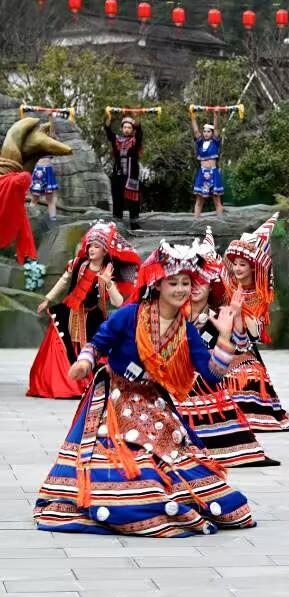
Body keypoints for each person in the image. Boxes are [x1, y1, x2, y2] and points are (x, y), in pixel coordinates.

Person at [33, 240, 255, 537]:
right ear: (158, 284)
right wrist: (84, 363)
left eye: (185, 283)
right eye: (173, 283)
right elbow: (98, 343)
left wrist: (225, 336)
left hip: (153, 402)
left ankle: (162, 496)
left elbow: (213, 374)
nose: (180, 289)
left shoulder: (185, 330)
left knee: (206, 486)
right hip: (115, 397)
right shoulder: (130, 315)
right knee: (127, 460)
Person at [175, 228, 280, 467]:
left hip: (213, 374)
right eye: (190, 283)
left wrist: (237, 317)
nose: (195, 288)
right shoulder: (174, 315)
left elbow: (243, 343)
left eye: (202, 282)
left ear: (212, 287)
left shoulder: (219, 314)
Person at [28, 221, 140, 399]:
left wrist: (109, 283)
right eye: (90, 246)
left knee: (94, 348)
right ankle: (60, 384)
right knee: (59, 344)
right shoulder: (77, 263)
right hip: (69, 312)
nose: (92, 249)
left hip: (92, 317)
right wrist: (48, 299)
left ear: (105, 251)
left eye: (96, 246)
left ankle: (86, 383)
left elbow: (118, 302)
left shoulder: (108, 271)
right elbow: (64, 281)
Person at [221, 214, 289, 432]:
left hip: (243, 349)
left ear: (253, 267)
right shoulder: (224, 286)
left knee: (249, 375)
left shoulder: (260, 297)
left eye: (243, 264)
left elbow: (253, 336)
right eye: (235, 264)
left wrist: (239, 313)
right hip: (217, 343)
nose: (237, 268)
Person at [104, 113, 143, 230]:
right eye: (125, 127)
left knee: (133, 200)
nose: (127, 129)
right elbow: (108, 131)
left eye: (129, 127)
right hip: (118, 173)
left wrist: (137, 119)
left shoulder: (135, 141)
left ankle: (134, 224)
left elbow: (140, 132)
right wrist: (109, 118)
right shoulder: (116, 140)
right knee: (117, 197)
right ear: (121, 128)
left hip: (131, 175)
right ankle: (117, 222)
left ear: (132, 129)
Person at [191, 111, 224, 218]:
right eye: (204, 131)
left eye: (208, 131)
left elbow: (217, 128)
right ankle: (195, 222)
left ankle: (220, 223)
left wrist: (215, 116)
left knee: (217, 201)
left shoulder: (215, 142)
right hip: (202, 174)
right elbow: (196, 130)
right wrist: (192, 116)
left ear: (212, 133)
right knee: (199, 201)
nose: (206, 133)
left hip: (213, 173)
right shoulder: (200, 143)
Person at [30, 113, 59, 222]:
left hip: (48, 171)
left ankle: (53, 221)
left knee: (50, 199)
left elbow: (52, 132)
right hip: (38, 170)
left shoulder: (51, 141)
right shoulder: (36, 140)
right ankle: (29, 220)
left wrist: (51, 118)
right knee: (35, 198)